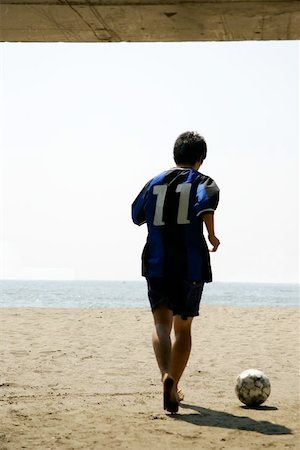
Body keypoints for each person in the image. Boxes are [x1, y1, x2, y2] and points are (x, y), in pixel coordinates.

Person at [131, 131, 220, 413]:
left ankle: (165, 376)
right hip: (190, 263)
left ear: (174, 155)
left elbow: (136, 215)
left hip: (156, 262)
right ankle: (175, 383)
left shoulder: (154, 181)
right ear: (200, 159)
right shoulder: (203, 181)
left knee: (161, 325)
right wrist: (213, 235)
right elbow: (205, 205)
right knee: (183, 328)